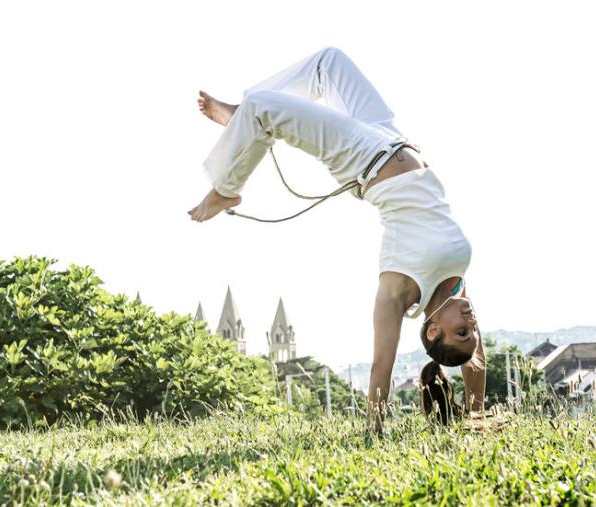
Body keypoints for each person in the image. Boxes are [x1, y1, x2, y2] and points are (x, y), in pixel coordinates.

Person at [189, 47, 486, 430]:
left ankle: (226, 186)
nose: (472, 321)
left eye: (462, 331)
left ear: (432, 330)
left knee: (263, 106)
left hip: (361, 157)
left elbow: (381, 364)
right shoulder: (455, 283)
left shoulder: (402, 287)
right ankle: (240, 120)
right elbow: (475, 361)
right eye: (473, 331)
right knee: (328, 63)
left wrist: (374, 428)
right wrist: (475, 413)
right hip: (391, 137)